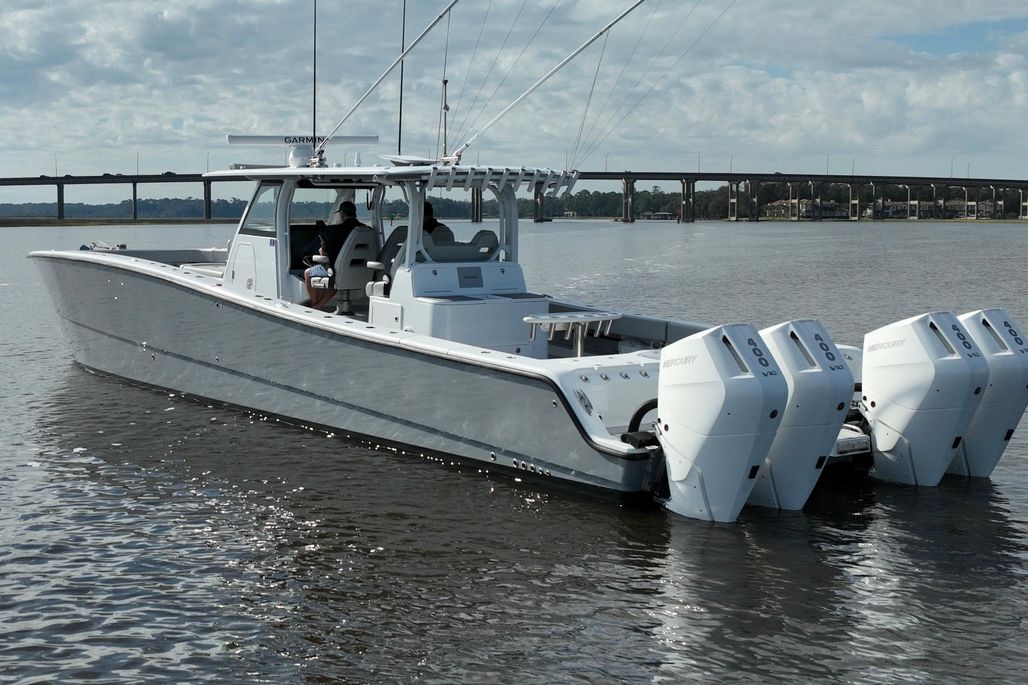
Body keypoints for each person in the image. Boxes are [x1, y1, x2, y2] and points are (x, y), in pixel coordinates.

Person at [304, 200, 366, 308]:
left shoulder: (338, 230)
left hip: (338, 271)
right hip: (362, 271)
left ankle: (314, 306)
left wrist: (321, 248)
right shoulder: (365, 229)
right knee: (332, 285)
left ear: (342, 214)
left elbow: (324, 253)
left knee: (307, 273)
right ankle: (317, 306)